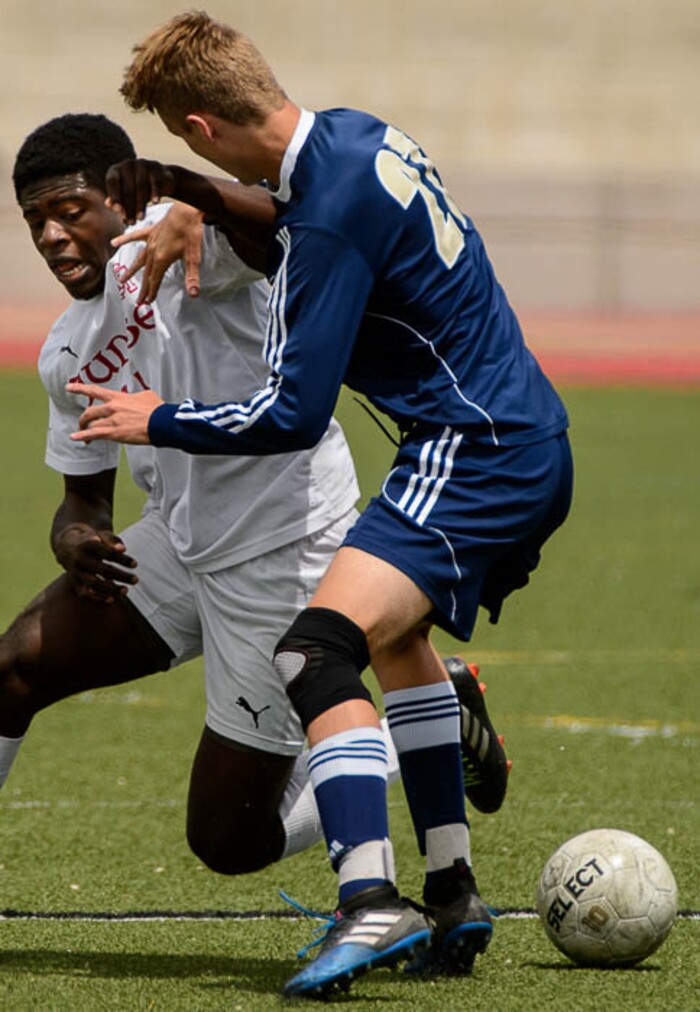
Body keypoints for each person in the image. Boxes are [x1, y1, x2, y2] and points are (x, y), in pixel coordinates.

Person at [72, 12, 570, 998]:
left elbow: (292, 413)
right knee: (393, 645)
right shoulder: (350, 131)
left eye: (179, 140)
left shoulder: (328, 215)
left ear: (204, 124)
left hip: (476, 453)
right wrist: (190, 196)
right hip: (510, 435)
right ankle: (453, 893)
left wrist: (157, 416)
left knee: (313, 650)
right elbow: (281, 210)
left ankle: (369, 901)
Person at [5, 111, 365, 875]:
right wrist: (74, 538)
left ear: (119, 198)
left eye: (70, 212)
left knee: (229, 842)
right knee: (13, 667)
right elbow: (84, 502)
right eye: (35, 221)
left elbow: (290, 225)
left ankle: (387, 738)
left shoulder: (185, 237)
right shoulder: (66, 347)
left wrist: (196, 198)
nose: (51, 237)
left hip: (281, 547)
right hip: (178, 540)